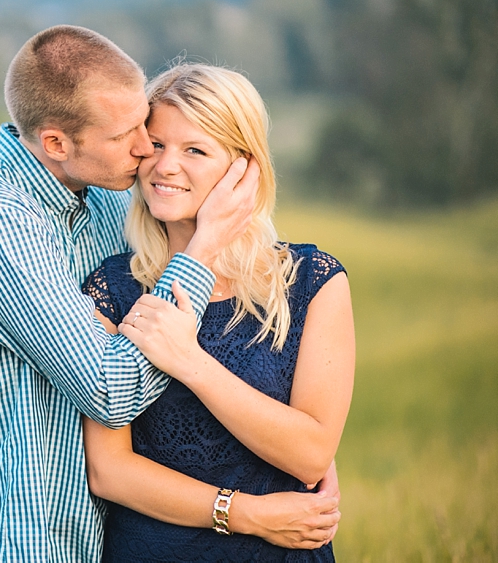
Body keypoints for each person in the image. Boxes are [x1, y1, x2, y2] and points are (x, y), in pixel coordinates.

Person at [0, 25, 340, 562]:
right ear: (56, 143)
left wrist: (305, 460)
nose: (148, 152)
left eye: (146, 125)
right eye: (130, 136)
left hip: (111, 535)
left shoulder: (99, 198)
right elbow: (111, 391)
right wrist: (206, 247)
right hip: (27, 527)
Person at [80, 63, 355, 561]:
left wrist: (190, 362)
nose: (164, 166)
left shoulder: (311, 282)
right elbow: (110, 472)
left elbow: (312, 454)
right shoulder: (114, 288)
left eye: (195, 150)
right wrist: (244, 513)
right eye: (157, 144)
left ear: (243, 169)